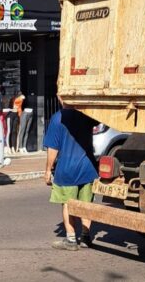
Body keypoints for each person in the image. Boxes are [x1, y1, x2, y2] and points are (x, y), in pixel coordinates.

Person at [43, 101, 98, 251]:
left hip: (67, 170)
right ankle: (86, 237)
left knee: (68, 204)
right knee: (86, 204)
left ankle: (71, 239)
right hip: (88, 168)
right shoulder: (86, 116)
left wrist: (48, 170)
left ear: (61, 98)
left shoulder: (57, 118)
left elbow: (53, 148)